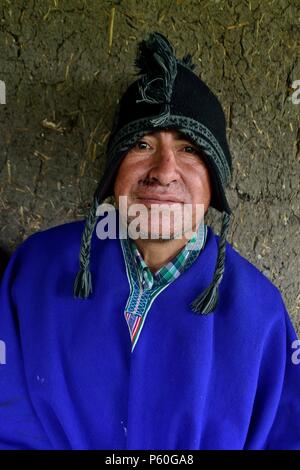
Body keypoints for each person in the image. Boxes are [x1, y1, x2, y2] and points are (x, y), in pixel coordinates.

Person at [0, 31, 299, 451]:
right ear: (113, 169)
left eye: (189, 149)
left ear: (215, 179)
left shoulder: (260, 313)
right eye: (142, 144)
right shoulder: (36, 269)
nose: (163, 171)